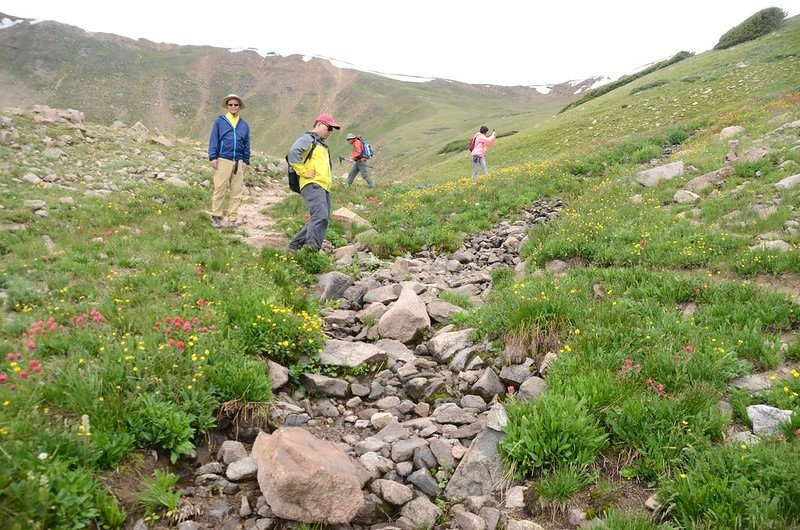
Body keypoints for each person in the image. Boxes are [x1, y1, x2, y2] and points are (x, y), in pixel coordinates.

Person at [287, 114, 341, 251]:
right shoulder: (308, 139)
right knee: (320, 216)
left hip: (323, 186)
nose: (330, 132)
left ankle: (294, 246)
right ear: (319, 124)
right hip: (313, 184)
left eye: (332, 130)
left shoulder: (321, 144)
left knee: (322, 218)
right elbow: (293, 153)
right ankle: (311, 251)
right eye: (328, 128)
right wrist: (303, 171)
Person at [208, 94, 251, 228]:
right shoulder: (220, 121)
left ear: (239, 107)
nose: (233, 107)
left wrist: (246, 161)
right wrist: (213, 157)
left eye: (235, 105)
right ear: (227, 106)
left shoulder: (244, 124)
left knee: (236, 191)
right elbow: (214, 139)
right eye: (230, 104)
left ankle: (233, 219)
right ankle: (216, 217)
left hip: (239, 161)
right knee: (220, 188)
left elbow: (246, 144)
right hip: (223, 159)